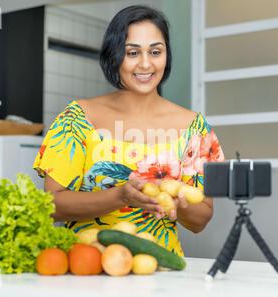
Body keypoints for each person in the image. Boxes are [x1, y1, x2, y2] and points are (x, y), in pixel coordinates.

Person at [33, 5, 224, 256]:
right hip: (85, 267)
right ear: (115, 55)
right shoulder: (77, 118)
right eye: (132, 52)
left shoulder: (195, 128)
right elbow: (52, 204)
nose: (145, 64)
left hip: (161, 273)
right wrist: (120, 196)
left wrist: (176, 203)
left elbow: (201, 220)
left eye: (155, 51)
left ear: (166, 55)